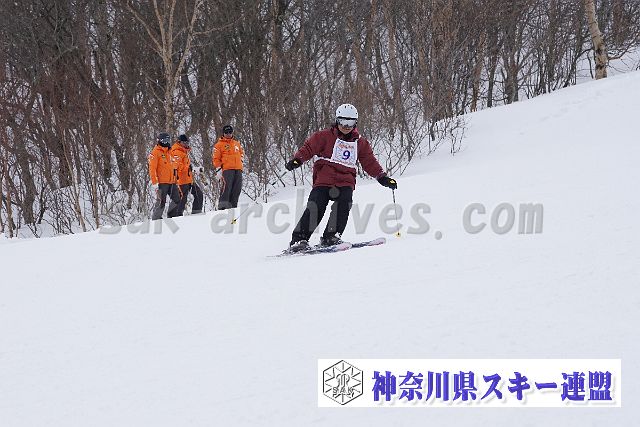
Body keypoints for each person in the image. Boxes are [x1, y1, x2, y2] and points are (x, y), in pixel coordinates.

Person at [284, 103, 397, 252]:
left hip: (345, 181)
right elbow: (308, 148)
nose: (346, 126)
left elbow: (369, 162)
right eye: (343, 122)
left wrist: (382, 178)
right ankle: (299, 240)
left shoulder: (360, 143)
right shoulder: (324, 136)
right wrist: (297, 160)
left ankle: (331, 236)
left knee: (344, 203)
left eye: (350, 123)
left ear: (355, 123)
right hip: (324, 179)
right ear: (337, 121)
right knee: (316, 205)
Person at [148, 132, 181, 220]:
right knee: (161, 201)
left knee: (177, 199)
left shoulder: (170, 151)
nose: (166, 142)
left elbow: (173, 166)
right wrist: (155, 182)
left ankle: (172, 216)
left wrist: (176, 177)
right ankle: (156, 219)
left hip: (172, 181)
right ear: (159, 141)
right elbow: (152, 169)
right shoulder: (155, 152)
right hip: (162, 182)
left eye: (168, 140)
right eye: (164, 140)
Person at [171, 134, 204, 215]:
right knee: (182, 200)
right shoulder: (177, 152)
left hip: (189, 180)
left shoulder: (184, 151)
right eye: (184, 142)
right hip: (181, 181)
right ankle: (176, 216)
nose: (186, 144)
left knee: (199, 194)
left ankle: (197, 213)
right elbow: (177, 166)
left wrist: (194, 169)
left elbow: (187, 166)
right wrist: (188, 168)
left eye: (187, 142)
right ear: (179, 142)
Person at [212, 124, 244, 209]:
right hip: (227, 169)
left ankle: (233, 207)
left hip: (238, 169)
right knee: (226, 188)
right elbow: (216, 158)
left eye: (230, 132)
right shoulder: (219, 145)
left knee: (237, 189)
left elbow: (241, 153)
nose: (228, 134)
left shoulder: (236, 143)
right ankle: (222, 208)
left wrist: (241, 162)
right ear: (223, 133)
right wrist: (218, 169)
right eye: (226, 132)